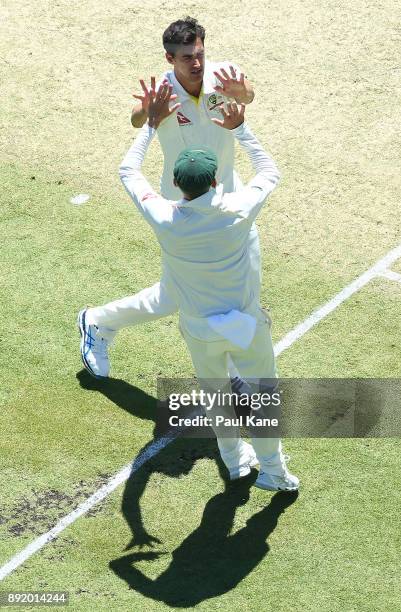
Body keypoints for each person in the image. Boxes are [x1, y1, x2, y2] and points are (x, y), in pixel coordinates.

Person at [80, 81, 299, 491]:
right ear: (217, 181)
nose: (194, 63)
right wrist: (241, 129)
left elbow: (128, 171)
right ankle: (273, 470)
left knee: (217, 396)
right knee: (263, 399)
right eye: (186, 57)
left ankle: (234, 463)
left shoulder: (164, 216)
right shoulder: (238, 208)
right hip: (246, 326)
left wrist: (151, 125)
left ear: (178, 186)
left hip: (200, 328)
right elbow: (270, 172)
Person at [78, 17, 261, 386]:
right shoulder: (163, 89)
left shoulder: (223, 74)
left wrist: (243, 92)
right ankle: (98, 321)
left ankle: (236, 368)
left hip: (229, 193)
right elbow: (135, 120)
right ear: (170, 58)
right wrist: (148, 111)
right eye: (187, 57)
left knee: (246, 277)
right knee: (172, 297)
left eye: (199, 54)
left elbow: (248, 96)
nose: (196, 63)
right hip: (182, 203)